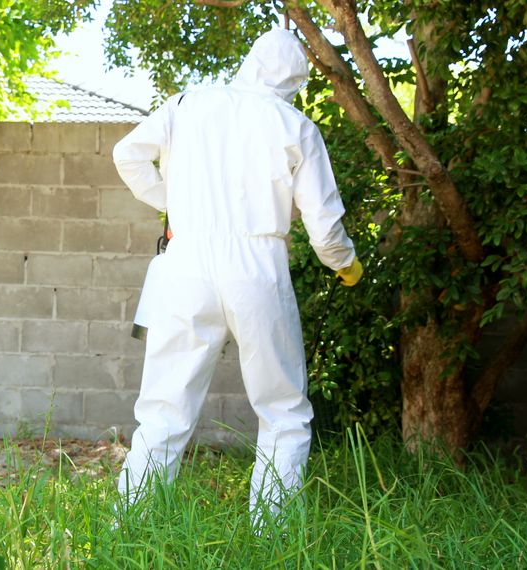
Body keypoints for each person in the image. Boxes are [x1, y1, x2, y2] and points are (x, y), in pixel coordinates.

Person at [111, 27, 364, 524]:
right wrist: (346, 267)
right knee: (284, 410)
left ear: (250, 61)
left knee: (163, 409)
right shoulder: (295, 125)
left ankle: (129, 526)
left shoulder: (188, 103)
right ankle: (272, 535)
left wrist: (172, 204)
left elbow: (128, 155)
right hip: (258, 267)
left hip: (185, 263)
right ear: (295, 78)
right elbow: (324, 227)